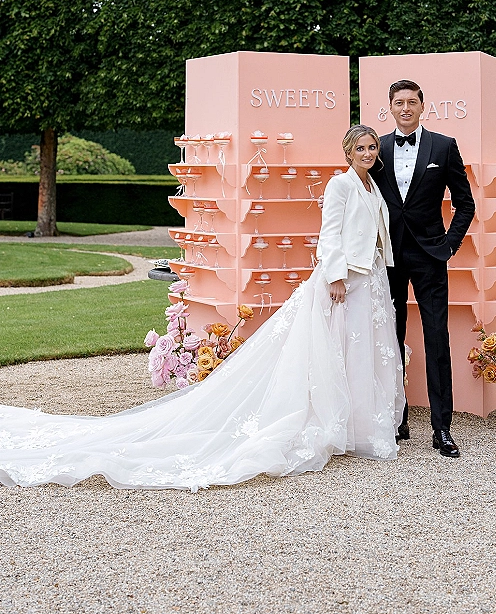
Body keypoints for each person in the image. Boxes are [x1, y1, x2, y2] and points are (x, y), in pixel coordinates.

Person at [0, 125, 404, 491]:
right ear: (347, 152)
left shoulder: (371, 186)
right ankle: (336, 423)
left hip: (370, 279)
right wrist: (334, 276)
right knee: (336, 347)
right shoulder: (341, 185)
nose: (368, 153)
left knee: (358, 350)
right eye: (360, 148)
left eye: (372, 148)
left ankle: (358, 425)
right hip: (343, 280)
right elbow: (328, 234)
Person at [371, 79, 475, 458]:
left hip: (431, 256)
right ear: (390, 107)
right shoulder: (376, 148)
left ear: (421, 105)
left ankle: (442, 428)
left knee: (436, 338)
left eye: (411, 102)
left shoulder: (443, 146)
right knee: (389, 337)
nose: (405, 108)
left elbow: (466, 203)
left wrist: (449, 245)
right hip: (387, 257)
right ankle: (396, 419)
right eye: (398, 103)